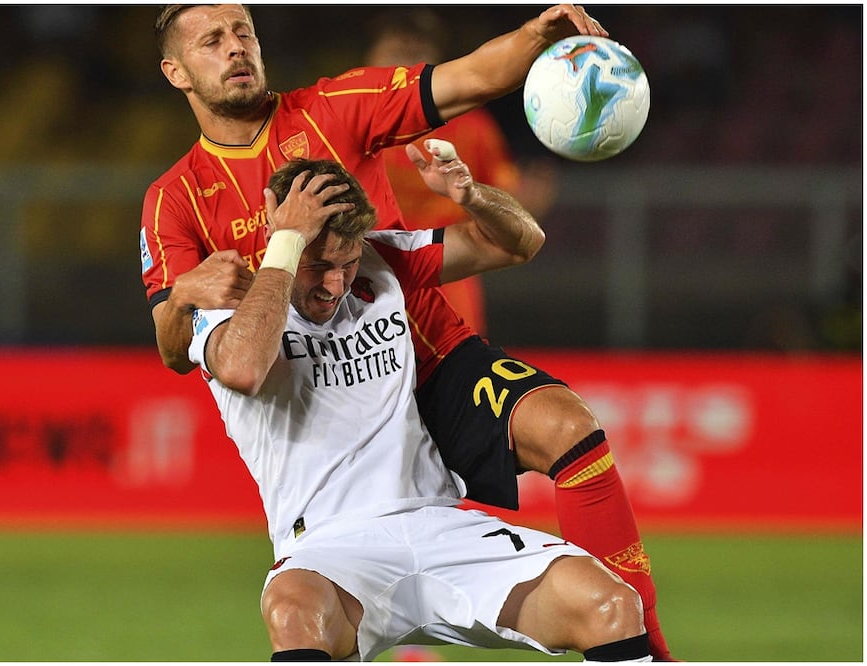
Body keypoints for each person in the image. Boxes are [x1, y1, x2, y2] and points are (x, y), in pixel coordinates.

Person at [140, 5, 674, 659]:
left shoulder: (335, 111)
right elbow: (177, 345)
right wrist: (185, 297)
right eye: (212, 40)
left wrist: (537, 35)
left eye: (244, 32)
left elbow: (473, 78)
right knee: (314, 598)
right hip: (319, 397)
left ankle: (645, 644)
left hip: (426, 351)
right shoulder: (175, 199)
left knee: (569, 428)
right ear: (176, 71)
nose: (235, 48)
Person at [187, 154, 650, 662]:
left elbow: (518, 241)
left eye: (347, 264)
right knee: (293, 612)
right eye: (318, 266)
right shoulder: (229, 306)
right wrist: (287, 244)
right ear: (279, 237)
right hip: (329, 548)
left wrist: (472, 196)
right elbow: (244, 369)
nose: (336, 285)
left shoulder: (383, 261)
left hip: (440, 525)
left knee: (610, 604)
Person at [365, 7, 560, 337]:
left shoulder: (472, 127)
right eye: (396, 52)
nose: (404, 66)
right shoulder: (350, 123)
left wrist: (525, 205)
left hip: (447, 284)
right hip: (368, 281)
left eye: (416, 54)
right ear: (370, 57)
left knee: (454, 367)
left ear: (436, 62)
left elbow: (504, 203)